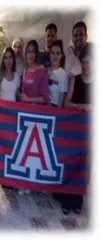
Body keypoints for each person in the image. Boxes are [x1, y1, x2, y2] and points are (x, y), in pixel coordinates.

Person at [54, 46, 91, 215]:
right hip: (73, 129)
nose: (85, 66)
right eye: (83, 62)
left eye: (88, 62)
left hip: (89, 131)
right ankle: (66, 201)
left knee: (82, 165)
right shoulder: (75, 80)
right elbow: (67, 103)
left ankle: (78, 201)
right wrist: (82, 107)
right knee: (69, 161)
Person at [19, 40, 49, 195]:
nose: (30, 54)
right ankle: (25, 182)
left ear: (36, 53)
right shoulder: (24, 72)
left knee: (37, 151)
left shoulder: (42, 72)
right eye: (28, 51)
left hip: (39, 116)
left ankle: (36, 183)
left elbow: (45, 98)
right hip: (26, 116)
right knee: (27, 150)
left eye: (32, 51)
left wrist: (28, 100)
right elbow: (22, 94)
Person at [48, 39, 69, 107]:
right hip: (44, 108)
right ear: (49, 54)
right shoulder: (46, 71)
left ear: (61, 56)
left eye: (58, 53)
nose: (55, 56)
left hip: (55, 109)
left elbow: (60, 103)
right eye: (53, 53)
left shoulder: (63, 74)